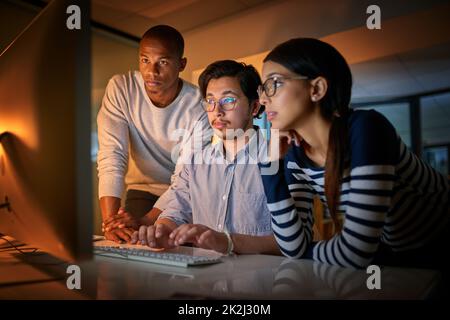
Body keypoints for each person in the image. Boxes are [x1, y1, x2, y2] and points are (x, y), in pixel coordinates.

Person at [257, 38, 450, 270]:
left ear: (316, 89)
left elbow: (353, 252)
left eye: (274, 83)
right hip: (397, 256)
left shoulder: (367, 128)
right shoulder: (294, 155)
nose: (262, 99)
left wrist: (307, 253)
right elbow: (291, 245)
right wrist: (269, 163)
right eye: (263, 88)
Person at [128, 60, 280, 255]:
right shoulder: (194, 163)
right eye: (210, 101)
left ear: (254, 106)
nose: (217, 111)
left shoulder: (278, 161)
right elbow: (176, 211)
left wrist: (227, 242)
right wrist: (163, 230)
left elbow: (293, 242)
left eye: (228, 100)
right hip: (204, 280)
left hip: (265, 280)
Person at [97, 25, 210, 243]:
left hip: (186, 195)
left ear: (181, 65)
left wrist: (148, 221)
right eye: (145, 60)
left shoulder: (198, 105)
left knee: (175, 250)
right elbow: (112, 155)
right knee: (126, 244)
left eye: (163, 62)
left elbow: (187, 176)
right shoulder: (122, 88)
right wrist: (112, 223)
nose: (151, 72)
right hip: (142, 189)